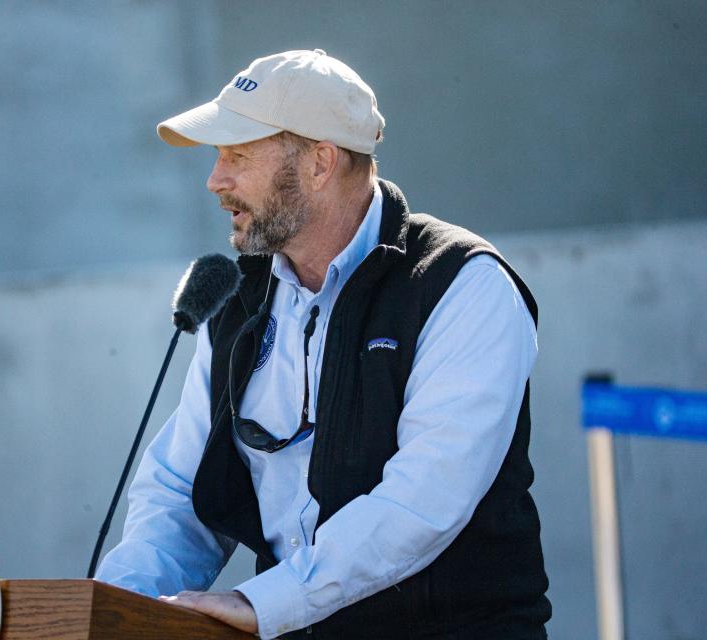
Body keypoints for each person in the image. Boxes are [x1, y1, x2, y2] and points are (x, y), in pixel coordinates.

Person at [96, 49, 551, 639]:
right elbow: (180, 492)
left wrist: (268, 601)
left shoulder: (461, 284)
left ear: (320, 161)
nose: (215, 180)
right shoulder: (236, 301)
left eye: (238, 155)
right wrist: (111, 608)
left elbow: (423, 504)